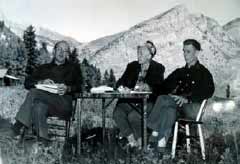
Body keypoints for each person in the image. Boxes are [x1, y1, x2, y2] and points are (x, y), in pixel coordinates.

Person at [147, 39, 215, 150]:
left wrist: (188, 98)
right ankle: (160, 147)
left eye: (188, 51)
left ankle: (153, 129)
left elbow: (209, 91)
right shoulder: (180, 72)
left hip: (193, 108)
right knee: (169, 110)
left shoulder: (203, 72)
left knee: (164, 100)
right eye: (184, 51)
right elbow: (163, 86)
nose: (185, 54)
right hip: (177, 107)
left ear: (197, 53)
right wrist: (149, 87)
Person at [10, 40, 83, 143]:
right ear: (54, 51)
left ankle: (16, 128)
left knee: (35, 92)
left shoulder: (73, 69)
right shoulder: (43, 68)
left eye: (65, 51)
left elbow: (80, 87)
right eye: (59, 49)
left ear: (67, 54)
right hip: (45, 103)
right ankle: (43, 143)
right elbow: (27, 83)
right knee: (38, 106)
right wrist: (41, 81)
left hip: (63, 104)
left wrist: (68, 88)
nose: (61, 53)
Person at [113, 40, 165, 148]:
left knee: (134, 116)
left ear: (149, 56)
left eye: (141, 53)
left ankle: (141, 144)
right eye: (138, 53)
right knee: (118, 112)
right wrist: (122, 87)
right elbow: (120, 82)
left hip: (148, 101)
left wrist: (148, 87)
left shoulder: (158, 68)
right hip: (131, 100)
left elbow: (160, 87)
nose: (138, 55)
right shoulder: (132, 66)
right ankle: (132, 141)